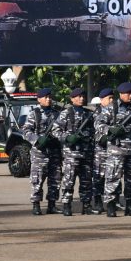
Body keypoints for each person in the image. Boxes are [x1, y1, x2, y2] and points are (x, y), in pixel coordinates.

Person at [97, 82, 131, 218]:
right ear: (121, 94)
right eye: (128, 93)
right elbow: (98, 123)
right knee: (113, 177)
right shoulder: (112, 108)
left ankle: (130, 205)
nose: (130, 96)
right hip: (116, 149)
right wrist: (110, 129)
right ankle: (111, 205)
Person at [54, 88, 95, 216]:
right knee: (69, 180)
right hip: (71, 154)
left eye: (83, 96)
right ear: (72, 99)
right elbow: (55, 130)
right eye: (78, 96)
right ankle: (67, 205)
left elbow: (94, 131)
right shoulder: (66, 113)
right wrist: (67, 137)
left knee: (86, 181)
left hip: (86, 153)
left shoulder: (88, 114)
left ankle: (86, 205)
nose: (81, 99)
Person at [23, 88, 62, 215]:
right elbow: (26, 131)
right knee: (37, 179)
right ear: (39, 99)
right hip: (40, 152)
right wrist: (37, 139)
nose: (48, 99)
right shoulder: (34, 114)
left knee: (55, 179)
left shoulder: (57, 114)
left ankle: (52, 205)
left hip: (54, 151)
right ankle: (36, 204)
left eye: (50, 97)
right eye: (45, 97)